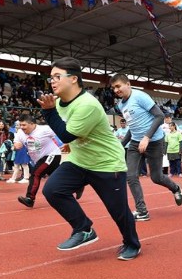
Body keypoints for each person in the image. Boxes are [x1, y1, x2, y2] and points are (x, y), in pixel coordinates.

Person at [37, 57, 141, 260]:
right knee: (53, 189)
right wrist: (69, 167)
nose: (52, 82)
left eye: (57, 77)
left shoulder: (88, 105)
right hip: (78, 161)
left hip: (107, 163)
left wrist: (48, 113)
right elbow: (67, 143)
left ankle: (132, 243)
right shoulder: (57, 104)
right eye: (51, 78)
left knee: (118, 211)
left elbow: (67, 134)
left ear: (74, 78)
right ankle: (83, 229)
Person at [111, 73, 182, 222]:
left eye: (118, 86)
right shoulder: (121, 105)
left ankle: (176, 188)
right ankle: (142, 210)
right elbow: (133, 127)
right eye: (113, 88)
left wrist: (147, 137)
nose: (116, 90)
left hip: (154, 141)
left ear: (128, 84)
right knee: (131, 176)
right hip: (136, 143)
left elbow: (159, 116)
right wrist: (121, 144)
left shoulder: (140, 96)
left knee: (156, 177)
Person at [14, 114, 63, 208]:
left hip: (51, 155)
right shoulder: (20, 132)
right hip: (39, 159)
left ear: (32, 124)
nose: (22, 127)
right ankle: (77, 187)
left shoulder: (45, 129)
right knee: (58, 178)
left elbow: (62, 133)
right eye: (20, 125)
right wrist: (17, 145)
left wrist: (67, 144)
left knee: (36, 174)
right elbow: (17, 142)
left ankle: (30, 199)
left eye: (24, 125)